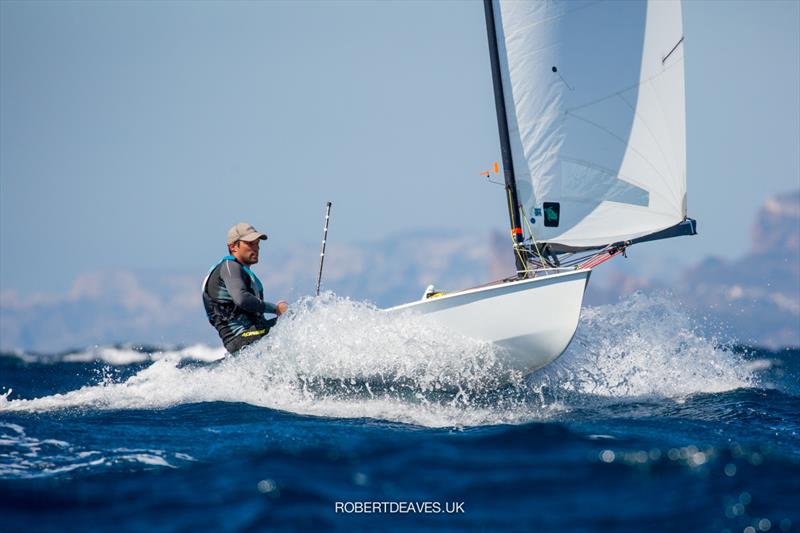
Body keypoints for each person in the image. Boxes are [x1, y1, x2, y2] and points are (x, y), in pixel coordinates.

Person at [203, 222, 288, 354]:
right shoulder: (230, 266)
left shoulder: (240, 271)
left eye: (257, 244)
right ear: (233, 247)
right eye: (250, 243)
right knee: (296, 322)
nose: (256, 248)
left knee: (294, 322)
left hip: (250, 335)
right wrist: (275, 309)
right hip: (241, 338)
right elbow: (242, 299)